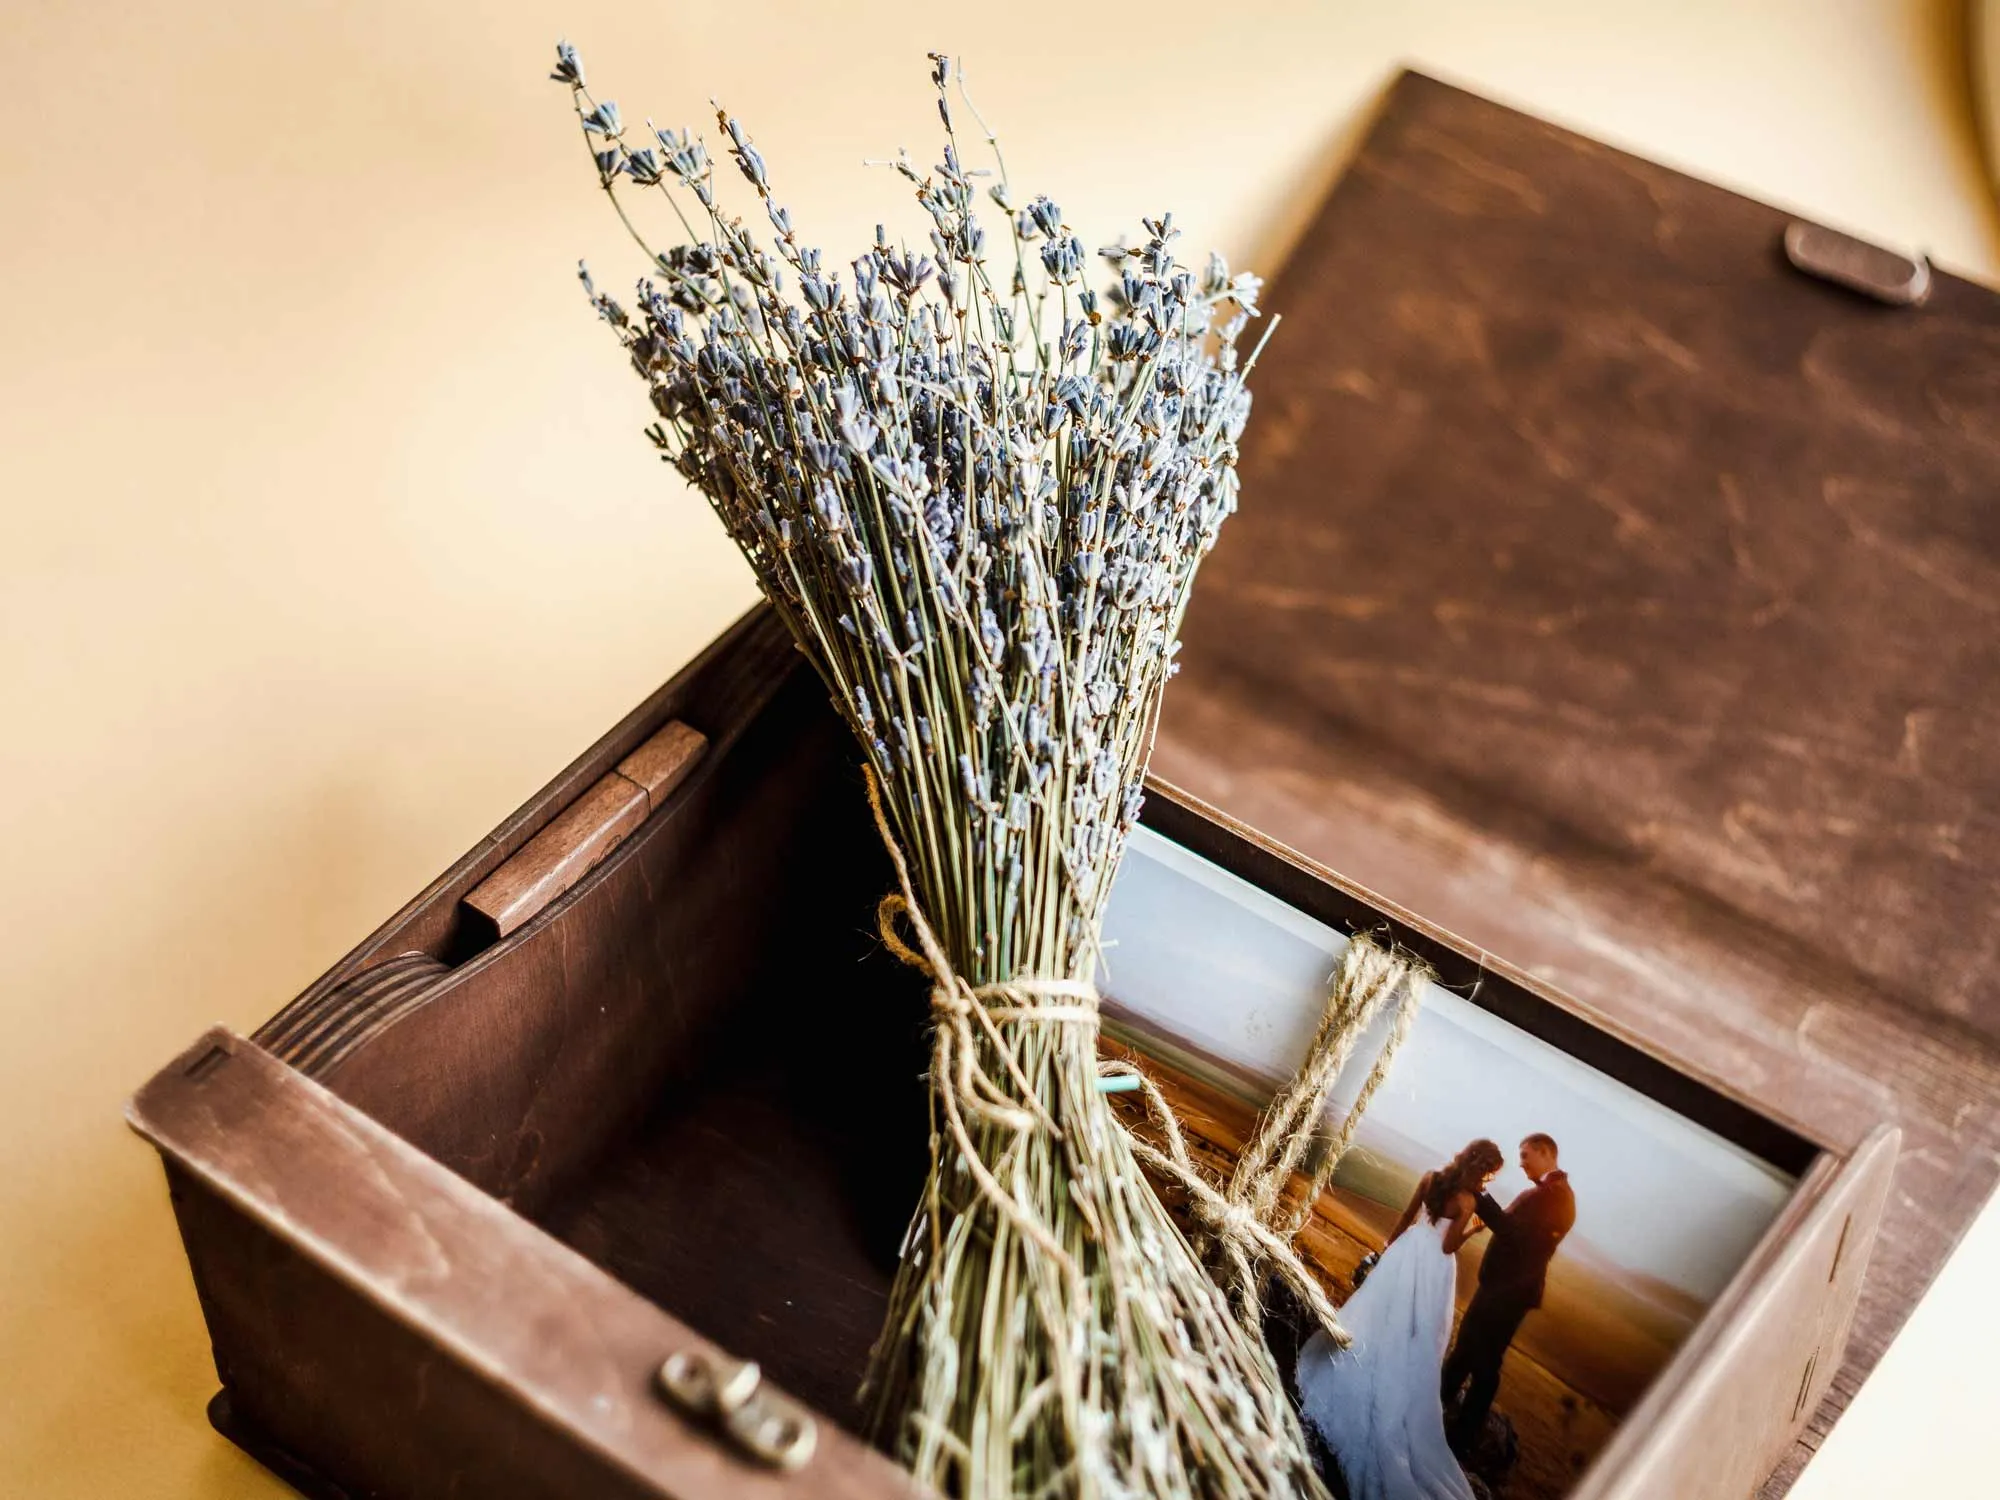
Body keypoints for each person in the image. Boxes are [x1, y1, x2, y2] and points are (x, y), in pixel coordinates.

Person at [1295, 1139, 1505, 1500]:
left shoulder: (1431, 1177)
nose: (1488, 1181)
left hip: (1405, 1252)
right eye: (1490, 1174)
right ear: (1481, 1168)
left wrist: (1384, 1254)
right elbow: (1448, 1246)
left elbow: (1406, 1217)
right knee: (1417, 1332)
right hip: (1432, 1269)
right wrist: (1474, 1229)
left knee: (1378, 1317)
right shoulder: (1468, 1202)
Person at [1441, 1132, 1576, 1455]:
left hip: (1507, 1293)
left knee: (1484, 1362)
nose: (1521, 1162)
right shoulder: (1553, 1193)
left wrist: (1479, 1195)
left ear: (1546, 1153)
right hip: (1504, 1290)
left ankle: (1460, 1436)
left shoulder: (1555, 1196)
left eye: (1526, 1155)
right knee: (1468, 1350)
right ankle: (1437, 1407)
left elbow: (1513, 1233)